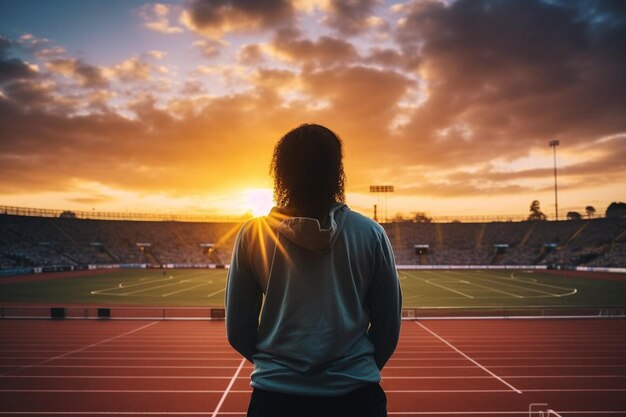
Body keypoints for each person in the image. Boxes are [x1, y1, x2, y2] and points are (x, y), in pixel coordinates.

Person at [226, 123, 402, 417]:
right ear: (336, 171)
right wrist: (355, 367)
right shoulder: (370, 233)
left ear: (281, 173)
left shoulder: (253, 234)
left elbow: (238, 330)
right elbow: (387, 325)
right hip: (356, 395)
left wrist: (277, 365)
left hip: (275, 397)